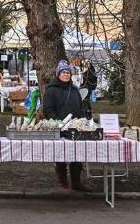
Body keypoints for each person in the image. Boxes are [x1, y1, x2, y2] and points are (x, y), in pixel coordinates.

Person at [43, 60, 87, 191]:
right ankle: (63, 183)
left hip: (75, 128)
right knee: (60, 155)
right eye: (63, 72)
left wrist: (81, 121)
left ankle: (76, 183)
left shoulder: (74, 90)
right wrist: (58, 123)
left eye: (68, 72)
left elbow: (80, 106)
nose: (66, 75)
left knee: (77, 155)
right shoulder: (51, 90)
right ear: (58, 74)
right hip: (60, 129)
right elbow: (48, 110)